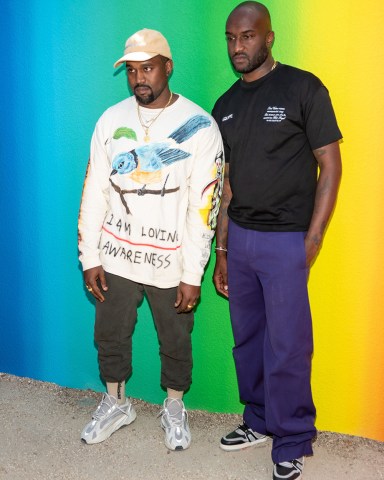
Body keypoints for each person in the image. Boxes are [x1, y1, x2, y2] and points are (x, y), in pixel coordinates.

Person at [212, 2, 342, 479]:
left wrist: (314, 236)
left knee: (287, 345)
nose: (237, 46)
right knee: (247, 340)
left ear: (269, 37)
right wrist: (222, 250)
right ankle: (259, 419)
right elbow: (226, 184)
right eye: (230, 37)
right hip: (241, 238)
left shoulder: (302, 87)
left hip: (287, 239)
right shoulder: (224, 106)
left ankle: (291, 439)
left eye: (247, 36)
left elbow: (330, 163)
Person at [78, 28, 224, 451]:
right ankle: (116, 402)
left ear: (168, 67)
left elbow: (204, 205)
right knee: (109, 333)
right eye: (132, 70)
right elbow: (94, 191)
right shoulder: (110, 120)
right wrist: (90, 255)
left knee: (176, 338)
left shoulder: (201, 127)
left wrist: (193, 271)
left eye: (148, 68)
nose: (140, 78)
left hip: (171, 261)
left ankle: (174, 406)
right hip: (116, 255)